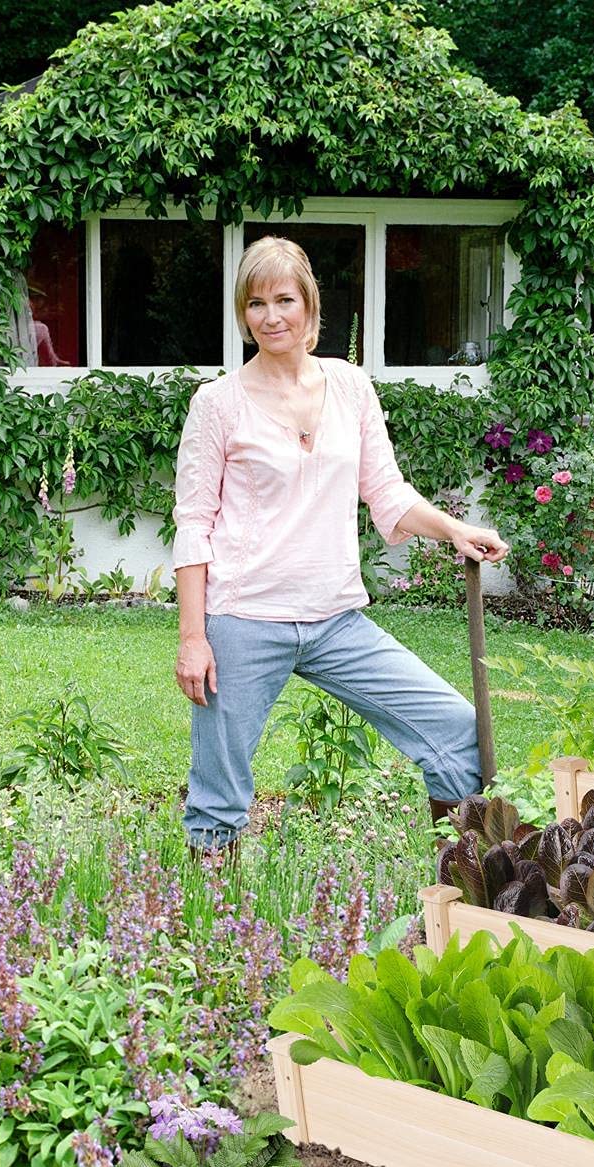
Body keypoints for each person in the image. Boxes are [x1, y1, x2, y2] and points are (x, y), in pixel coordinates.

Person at [171, 235, 509, 855]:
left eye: (284, 300)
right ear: (243, 315)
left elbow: (386, 491)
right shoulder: (217, 404)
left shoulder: (349, 387)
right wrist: (194, 638)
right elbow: (193, 524)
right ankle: (208, 923)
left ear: (310, 307)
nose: (271, 317)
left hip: (335, 619)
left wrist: (454, 529)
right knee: (219, 795)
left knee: (455, 730)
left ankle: (459, 890)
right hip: (244, 619)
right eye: (255, 304)